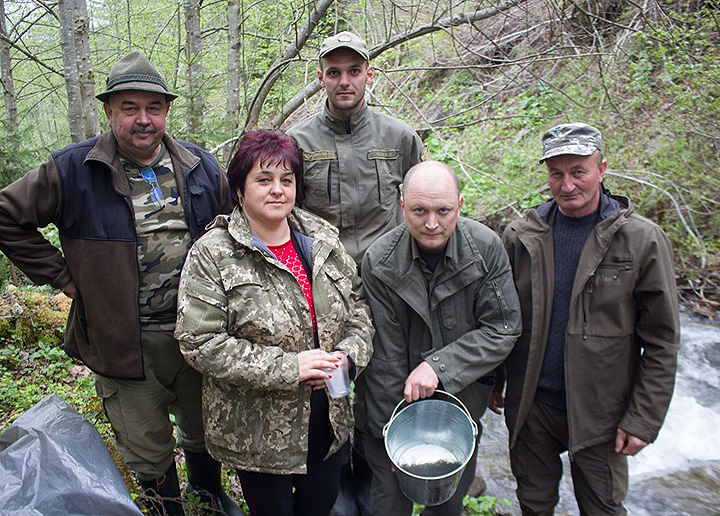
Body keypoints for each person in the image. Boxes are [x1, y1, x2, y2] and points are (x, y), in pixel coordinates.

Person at [0, 51, 242, 516]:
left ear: (167, 111)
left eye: (153, 108)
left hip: (200, 331)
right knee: (145, 440)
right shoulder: (73, 170)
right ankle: (166, 507)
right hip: (121, 338)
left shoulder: (199, 166)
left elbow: (234, 229)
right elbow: (7, 216)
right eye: (129, 108)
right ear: (109, 112)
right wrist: (62, 277)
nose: (143, 120)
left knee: (204, 424)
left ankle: (209, 494)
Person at [173, 129, 375, 516]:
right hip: (259, 431)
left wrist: (348, 357)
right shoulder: (213, 254)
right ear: (239, 188)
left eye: (287, 180)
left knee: (321, 503)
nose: (277, 190)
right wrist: (289, 368)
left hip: (328, 414)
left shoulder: (321, 239)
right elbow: (199, 341)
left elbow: (360, 309)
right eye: (263, 180)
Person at [493, 122, 680, 515]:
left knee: (602, 507)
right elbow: (500, 317)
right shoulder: (521, 236)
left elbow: (662, 340)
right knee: (534, 503)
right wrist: (494, 380)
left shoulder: (641, 240)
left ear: (602, 168)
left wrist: (643, 418)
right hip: (532, 406)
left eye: (579, 172)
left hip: (603, 414)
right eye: (556, 174)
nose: (567, 185)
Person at [287, 31, 429, 515]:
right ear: (321, 78)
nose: (344, 81)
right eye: (334, 72)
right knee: (332, 378)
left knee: (380, 377)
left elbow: (421, 208)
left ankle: (371, 471)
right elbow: (286, 209)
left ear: (369, 74)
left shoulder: (400, 138)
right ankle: (339, 474)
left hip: (386, 285)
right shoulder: (299, 141)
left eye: (353, 71)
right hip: (323, 283)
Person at [355, 160, 522, 516]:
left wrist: (438, 366)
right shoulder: (379, 261)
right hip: (391, 408)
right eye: (420, 211)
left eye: (444, 210)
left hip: (458, 410)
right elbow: (385, 357)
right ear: (402, 206)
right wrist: (393, 433)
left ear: (460, 205)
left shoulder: (486, 249)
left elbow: (503, 328)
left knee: (447, 507)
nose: (432, 223)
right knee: (389, 505)